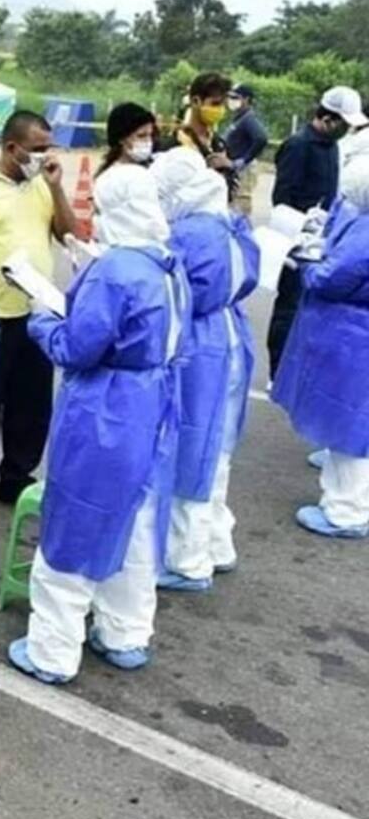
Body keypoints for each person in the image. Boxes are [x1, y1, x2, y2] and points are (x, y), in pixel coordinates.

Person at [8, 165, 190, 684]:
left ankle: (52, 650)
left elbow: (77, 347)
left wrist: (42, 314)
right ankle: (125, 633)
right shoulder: (164, 261)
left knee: (76, 522)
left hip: (106, 408)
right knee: (135, 522)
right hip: (152, 400)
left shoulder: (115, 272)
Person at [0, 110, 78, 505]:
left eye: (49, 147)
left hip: (36, 313)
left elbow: (69, 233)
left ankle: (17, 475)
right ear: (11, 147)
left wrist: (56, 188)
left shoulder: (42, 185)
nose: (46, 156)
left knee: (32, 402)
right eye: (38, 149)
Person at [151, 149, 259, 591]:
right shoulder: (226, 221)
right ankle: (217, 544)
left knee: (192, 449)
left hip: (200, 345)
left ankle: (187, 559)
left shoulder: (188, 233)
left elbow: (176, 288)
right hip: (230, 336)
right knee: (218, 451)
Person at [271, 159, 369, 539]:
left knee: (348, 424)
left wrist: (306, 262)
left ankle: (347, 510)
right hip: (354, 333)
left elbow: (332, 277)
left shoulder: (364, 232)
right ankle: (348, 499)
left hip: (352, 336)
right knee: (353, 423)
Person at [266, 86, 363, 380]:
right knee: (289, 305)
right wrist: (303, 225)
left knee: (308, 308)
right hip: (295, 237)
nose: (346, 130)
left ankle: (296, 368)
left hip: (321, 240)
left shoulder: (333, 147)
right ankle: (277, 369)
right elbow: (281, 199)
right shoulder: (298, 146)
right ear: (328, 118)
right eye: (343, 124)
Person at [174, 72, 234, 184]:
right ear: (195, 101)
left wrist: (229, 169)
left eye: (223, 105)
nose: (220, 110)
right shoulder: (173, 144)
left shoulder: (219, 146)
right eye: (215, 104)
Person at [222, 83, 268, 216]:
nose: (231, 101)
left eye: (235, 98)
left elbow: (261, 138)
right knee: (233, 204)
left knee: (241, 204)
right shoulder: (239, 119)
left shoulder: (248, 119)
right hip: (233, 167)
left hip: (243, 170)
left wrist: (245, 159)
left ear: (246, 100)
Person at [97, 102, 157, 177]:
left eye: (151, 135)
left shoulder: (153, 169)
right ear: (121, 138)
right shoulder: (113, 176)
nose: (148, 141)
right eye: (141, 136)